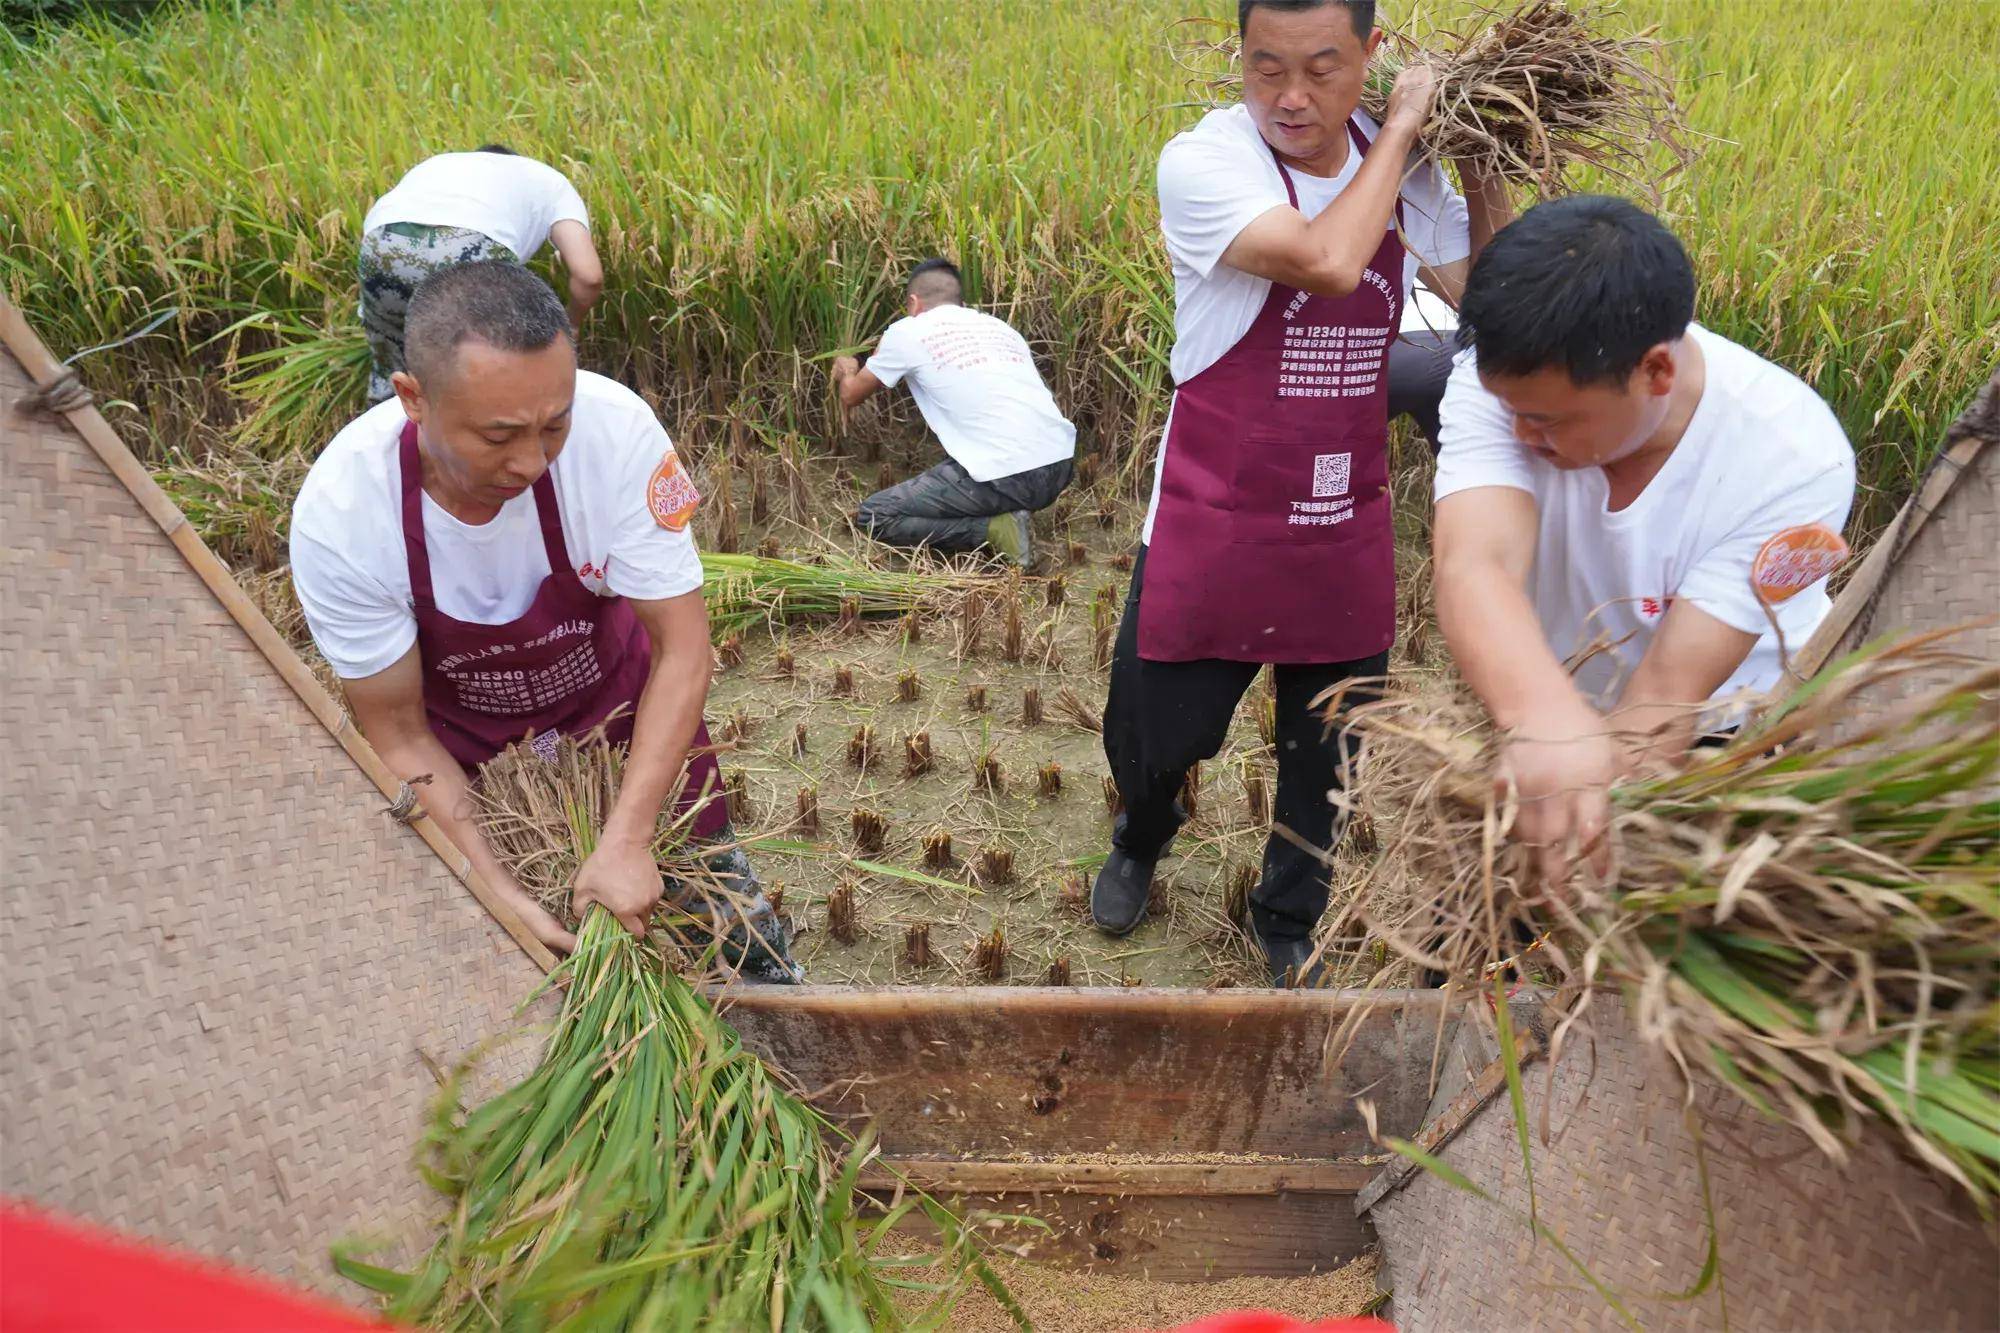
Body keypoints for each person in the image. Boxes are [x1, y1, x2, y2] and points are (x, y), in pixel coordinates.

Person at [1090, 0, 1512, 986]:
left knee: (1326, 749)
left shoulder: (1400, 163)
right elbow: (1325, 263)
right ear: (1235, 57)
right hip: (1214, 512)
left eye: (1321, 69)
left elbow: (1487, 299)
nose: (1289, 96)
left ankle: (1287, 912)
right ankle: (1139, 840)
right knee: (1151, 735)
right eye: (1262, 66)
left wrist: (1481, 155)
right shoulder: (1205, 162)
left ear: (1369, 54)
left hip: (1338, 514)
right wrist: (1402, 128)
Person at [291, 261, 796, 978]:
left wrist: (628, 836)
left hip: (624, 718)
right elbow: (399, 732)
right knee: (524, 974)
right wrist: (495, 889)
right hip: (477, 767)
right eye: (497, 437)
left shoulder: (616, 435)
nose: (530, 461)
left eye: (553, 425)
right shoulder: (343, 516)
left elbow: (683, 648)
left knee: (734, 933)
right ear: (413, 398)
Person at [1433, 195, 1856, 884]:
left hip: (1723, 729)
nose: (1521, 436)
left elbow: (1668, 693)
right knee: (1481, 924)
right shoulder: (1501, 387)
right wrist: (1542, 716)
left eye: (1547, 421)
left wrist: (1592, 804)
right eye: (1512, 411)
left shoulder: (1793, 458)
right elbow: (1473, 564)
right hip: (1551, 693)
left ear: (1656, 372)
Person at [830, 258, 1076, 566]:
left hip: (1009, 477)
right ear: (962, 302)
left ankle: (991, 529)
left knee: (875, 516)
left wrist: (846, 368)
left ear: (913, 302)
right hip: (1060, 466)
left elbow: (852, 395)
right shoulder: (1000, 329)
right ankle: (1005, 512)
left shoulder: (907, 331)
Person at [359, 145, 605, 402]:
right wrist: (572, 326)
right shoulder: (549, 181)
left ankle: (382, 436)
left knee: (392, 375)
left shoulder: (439, 164)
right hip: (471, 242)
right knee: (491, 375)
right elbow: (589, 276)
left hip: (382, 241)